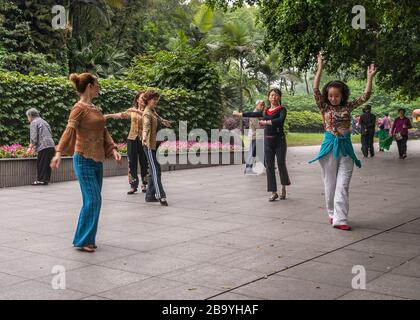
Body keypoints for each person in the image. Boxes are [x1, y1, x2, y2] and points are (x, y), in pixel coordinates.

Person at [50, 73, 122, 253]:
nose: (99, 86)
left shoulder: (95, 108)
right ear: (90, 86)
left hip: (97, 160)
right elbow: (69, 130)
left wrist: (112, 149)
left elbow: (103, 131)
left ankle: (87, 238)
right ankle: (83, 240)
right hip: (83, 159)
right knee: (93, 200)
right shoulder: (79, 108)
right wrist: (58, 152)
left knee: (92, 201)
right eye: (97, 83)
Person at [310, 53, 377, 231]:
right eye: (330, 95)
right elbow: (315, 90)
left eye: (336, 96)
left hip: (346, 148)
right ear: (327, 96)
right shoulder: (324, 107)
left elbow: (366, 96)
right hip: (329, 148)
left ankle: (340, 219)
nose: (333, 98)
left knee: (343, 184)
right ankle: (332, 214)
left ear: (342, 95)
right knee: (330, 183)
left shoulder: (348, 107)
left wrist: (369, 77)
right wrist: (320, 68)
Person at [233, 88, 291, 201]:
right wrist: (239, 114)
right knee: (269, 167)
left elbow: (280, 121)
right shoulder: (265, 111)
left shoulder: (282, 109)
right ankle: (273, 192)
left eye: (276, 95)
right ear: (268, 97)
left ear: (279, 97)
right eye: (271, 95)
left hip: (279, 140)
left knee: (280, 163)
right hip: (268, 141)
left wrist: (266, 122)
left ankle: (283, 187)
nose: (273, 97)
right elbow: (252, 114)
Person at [105, 91, 149, 194]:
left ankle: (145, 184)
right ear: (137, 100)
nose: (143, 100)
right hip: (132, 139)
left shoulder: (148, 111)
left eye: (145, 98)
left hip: (144, 140)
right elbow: (121, 115)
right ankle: (133, 185)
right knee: (131, 162)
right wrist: (108, 115)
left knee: (144, 162)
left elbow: (149, 117)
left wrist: (135, 110)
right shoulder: (132, 112)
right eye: (142, 98)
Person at [142, 90, 172, 206]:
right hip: (149, 146)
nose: (156, 101)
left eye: (156, 99)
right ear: (148, 100)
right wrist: (144, 137)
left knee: (156, 171)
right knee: (155, 170)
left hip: (155, 145)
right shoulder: (146, 113)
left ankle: (150, 195)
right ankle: (161, 195)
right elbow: (146, 126)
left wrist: (165, 122)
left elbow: (158, 119)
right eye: (154, 99)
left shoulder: (153, 111)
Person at [26, 108, 56, 185]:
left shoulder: (34, 122)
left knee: (41, 163)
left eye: (27, 116)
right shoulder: (44, 121)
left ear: (30, 115)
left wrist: (30, 148)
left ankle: (40, 180)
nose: (28, 118)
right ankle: (45, 180)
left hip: (43, 146)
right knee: (47, 164)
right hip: (51, 145)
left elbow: (34, 137)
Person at [244, 100, 265, 174]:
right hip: (255, 136)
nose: (262, 106)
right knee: (252, 152)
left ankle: (268, 166)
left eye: (263, 105)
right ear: (256, 105)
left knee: (260, 152)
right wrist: (265, 124)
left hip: (259, 135)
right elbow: (258, 126)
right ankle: (248, 168)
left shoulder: (259, 114)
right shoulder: (254, 114)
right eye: (260, 105)